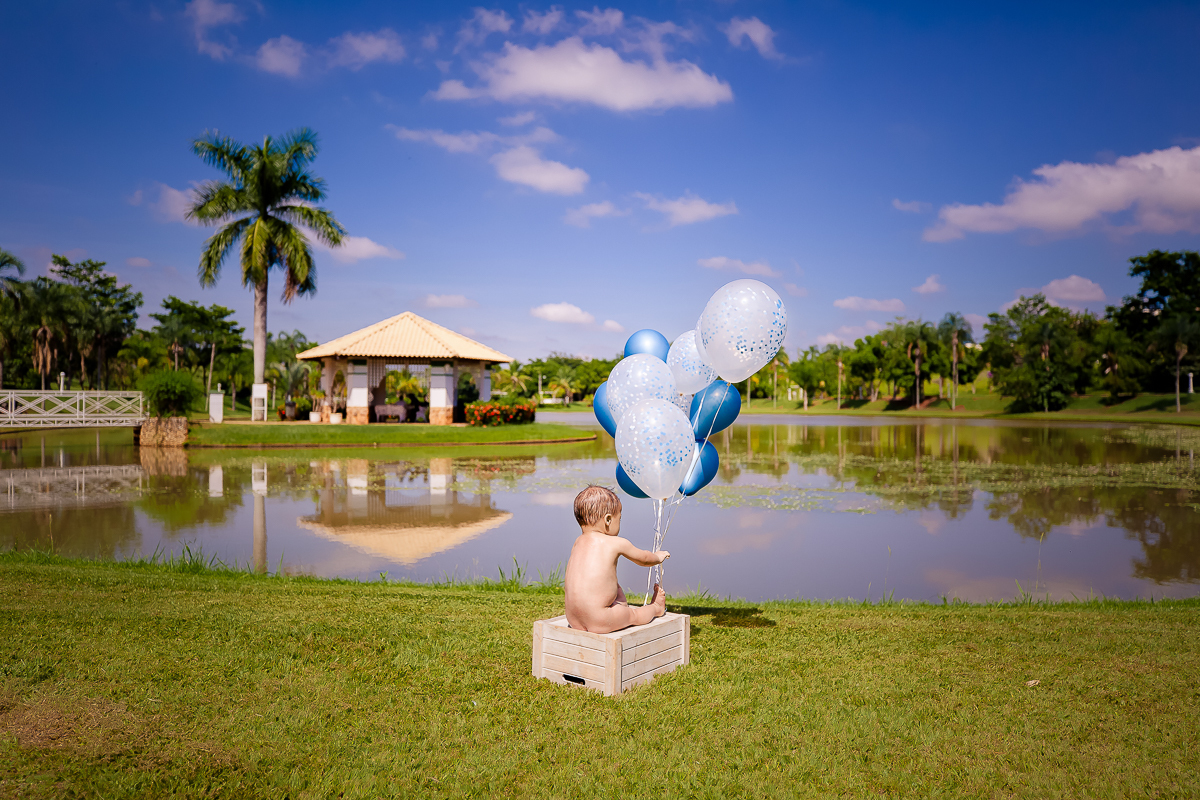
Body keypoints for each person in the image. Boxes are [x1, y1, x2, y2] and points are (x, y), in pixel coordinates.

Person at [564, 485, 669, 632]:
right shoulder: (615, 542)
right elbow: (644, 559)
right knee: (633, 615)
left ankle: (617, 607)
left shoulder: (578, 542)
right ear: (608, 520)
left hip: (573, 618)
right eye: (619, 518)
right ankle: (656, 608)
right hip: (600, 619)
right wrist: (657, 557)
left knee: (612, 586)